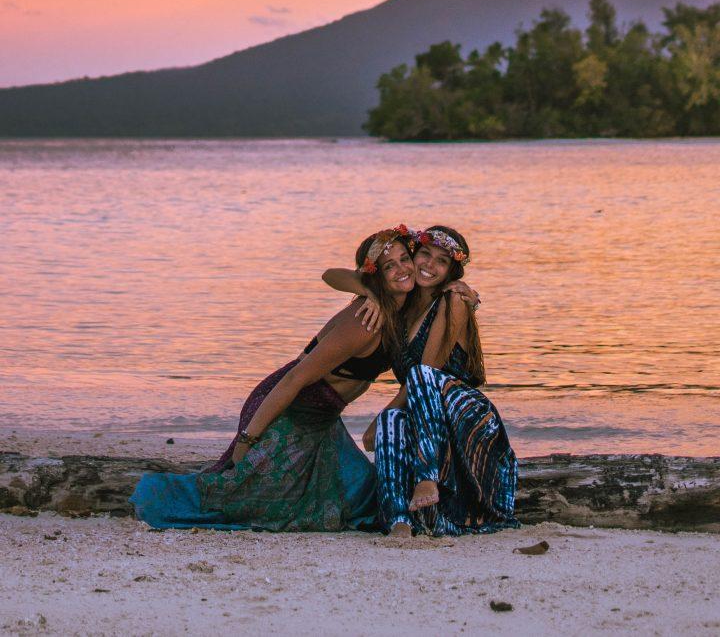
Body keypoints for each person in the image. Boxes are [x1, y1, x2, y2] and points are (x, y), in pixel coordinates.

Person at [130, 227, 415, 532]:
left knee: (363, 498)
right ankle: (152, 493)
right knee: (243, 501)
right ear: (375, 276)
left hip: (323, 422)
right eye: (389, 266)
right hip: (286, 412)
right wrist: (247, 440)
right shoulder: (365, 321)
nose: (401, 269)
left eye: (404, 258)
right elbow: (294, 379)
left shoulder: (401, 307)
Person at [323, 225, 519, 537]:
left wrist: (376, 421)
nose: (429, 264)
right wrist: (369, 291)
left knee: (416, 381)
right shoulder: (401, 303)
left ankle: (427, 477)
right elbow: (332, 275)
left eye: (441, 261)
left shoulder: (452, 300)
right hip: (428, 422)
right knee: (392, 420)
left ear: (451, 271)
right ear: (414, 254)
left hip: (464, 413)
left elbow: (427, 371)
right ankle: (398, 519)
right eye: (425, 254)